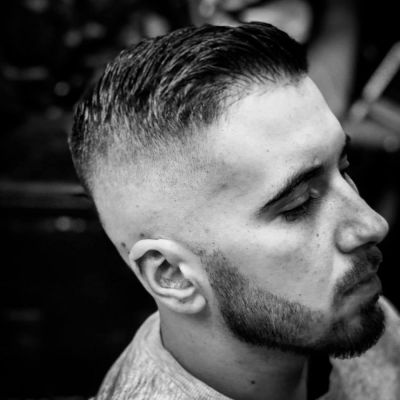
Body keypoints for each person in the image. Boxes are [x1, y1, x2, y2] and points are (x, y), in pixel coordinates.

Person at [69, 22, 400, 400]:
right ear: (173, 274)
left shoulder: (345, 311)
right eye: (299, 205)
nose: (372, 224)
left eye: (344, 168)